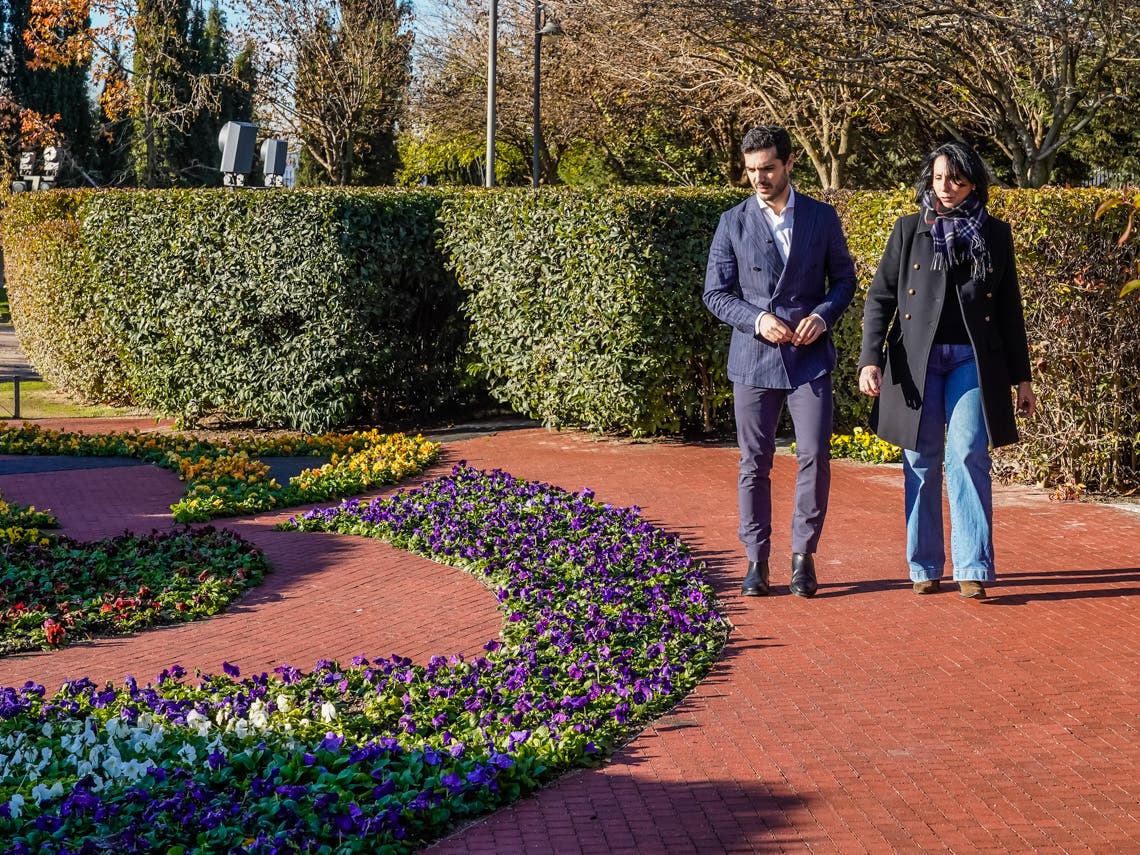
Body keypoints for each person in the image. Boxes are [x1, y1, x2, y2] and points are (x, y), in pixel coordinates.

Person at [857, 141, 1036, 600]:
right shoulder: (909, 229)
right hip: (916, 361)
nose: (946, 187)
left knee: (969, 452)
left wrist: (1023, 378)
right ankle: (924, 564)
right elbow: (880, 298)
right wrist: (870, 359)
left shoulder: (994, 233)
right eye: (939, 178)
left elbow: (1010, 310)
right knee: (920, 459)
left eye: (955, 179)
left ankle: (972, 566)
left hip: (972, 360)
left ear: (973, 182)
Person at [704, 125, 856, 598]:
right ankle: (756, 560)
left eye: (768, 168)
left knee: (814, 455)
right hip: (754, 359)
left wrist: (823, 316)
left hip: (809, 359)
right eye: (751, 170)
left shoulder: (821, 217)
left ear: (789, 163)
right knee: (754, 462)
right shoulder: (732, 221)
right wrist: (756, 319)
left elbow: (844, 281)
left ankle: (803, 557)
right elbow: (715, 293)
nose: (759, 178)